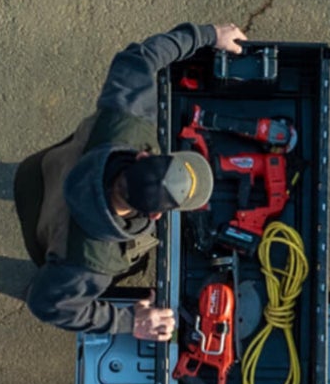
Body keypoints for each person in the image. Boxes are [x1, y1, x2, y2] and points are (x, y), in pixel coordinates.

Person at [13, 21, 247, 341]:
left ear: (141, 157)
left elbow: (141, 57)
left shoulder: (125, 117)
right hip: (43, 232)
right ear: (155, 216)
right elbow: (47, 304)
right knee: (51, 281)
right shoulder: (92, 263)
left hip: (39, 171)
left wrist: (208, 36)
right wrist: (128, 322)